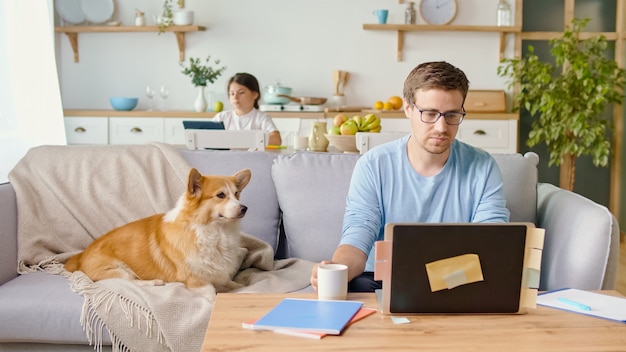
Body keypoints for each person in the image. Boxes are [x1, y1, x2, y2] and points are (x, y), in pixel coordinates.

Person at [310, 61, 510, 293]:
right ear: (408, 109)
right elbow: (359, 231)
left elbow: (492, 243)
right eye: (430, 113)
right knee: (357, 285)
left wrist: (436, 280)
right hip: (384, 280)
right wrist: (338, 269)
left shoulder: (483, 167)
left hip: (456, 280)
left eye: (452, 114)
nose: (441, 127)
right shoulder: (374, 165)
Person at [212, 72, 282, 146]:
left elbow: (276, 140)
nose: (235, 97)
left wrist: (241, 139)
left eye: (241, 93)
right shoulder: (221, 117)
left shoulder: (262, 118)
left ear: (255, 94)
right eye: (232, 93)